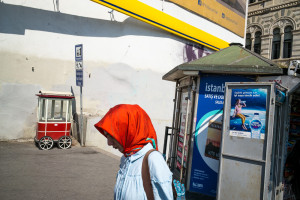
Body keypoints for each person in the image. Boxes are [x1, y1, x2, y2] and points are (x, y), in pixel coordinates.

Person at [94, 104, 173, 200]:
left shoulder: (153, 160)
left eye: (112, 136)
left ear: (128, 131)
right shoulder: (126, 158)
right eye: (107, 136)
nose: (109, 143)